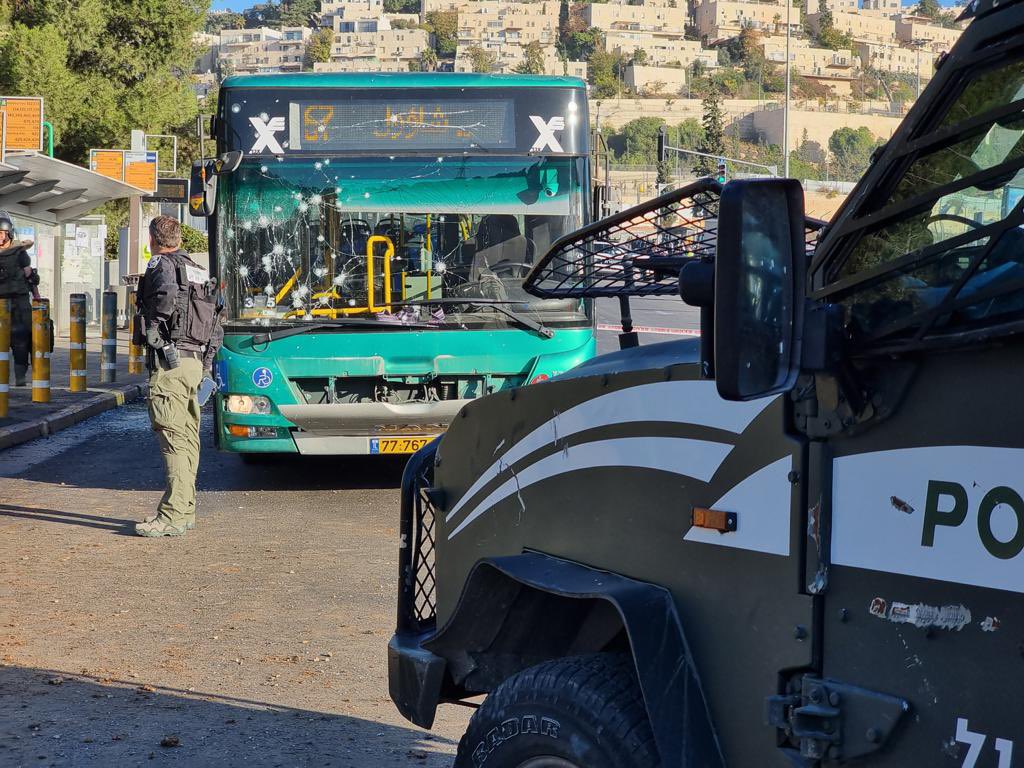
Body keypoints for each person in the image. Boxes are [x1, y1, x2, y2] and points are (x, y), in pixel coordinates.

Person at [135, 216, 223, 537]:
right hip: (195, 363)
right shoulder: (198, 271)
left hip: (170, 362)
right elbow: (217, 322)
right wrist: (207, 364)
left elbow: (165, 299)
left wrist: (153, 330)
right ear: (179, 238)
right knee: (187, 436)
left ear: (153, 238)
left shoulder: (161, 264)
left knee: (171, 435)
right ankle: (185, 509)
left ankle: (172, 514)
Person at [0, 215, 40, 386]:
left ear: (9, 233)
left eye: (3, 232)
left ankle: (20, 377)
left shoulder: (19, 253)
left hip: (19, 301)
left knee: (21, 340)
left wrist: (37, 297)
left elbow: (30, 277)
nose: (1, 236)